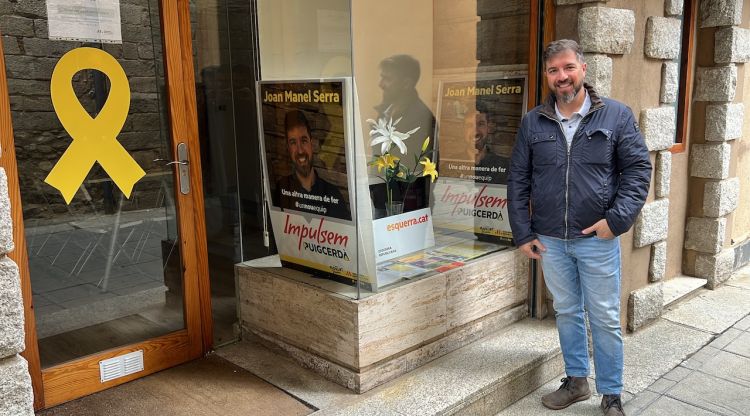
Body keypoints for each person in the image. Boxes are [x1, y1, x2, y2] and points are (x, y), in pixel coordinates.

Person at [507, 39, 651, 416]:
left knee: (603, 315)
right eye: (553, 70)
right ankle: (575, 380)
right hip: (551, 238)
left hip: (596, 238)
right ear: (547, 76)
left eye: (568, 67)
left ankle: (612, 393)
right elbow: (518, 179)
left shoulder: (616, 116)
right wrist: (523, 232)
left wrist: (616, 221)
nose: (561, 76)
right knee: (568, 310)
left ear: (583, 70)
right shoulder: (533, 121)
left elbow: (638, 170)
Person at [371, 54, 436, 214]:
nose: (381, 84)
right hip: (383, 200)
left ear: (406, 83)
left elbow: (419, 169)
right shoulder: (385, 113)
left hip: (407, 206)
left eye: (387, 79)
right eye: (381, 78)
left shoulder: (421, 118)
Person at [275, 110, 351, 221]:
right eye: (293, 143)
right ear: (288, 148)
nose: (300, 150)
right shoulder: (282, 189)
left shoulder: (333, 195)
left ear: (312, 143)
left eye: (304, 140)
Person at [464, 109, 509, 185]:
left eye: (480, 124)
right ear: (464, 130)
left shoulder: (505, 166)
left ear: (488, 128)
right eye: (469, 125)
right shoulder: (449, 166)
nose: (475, 131)